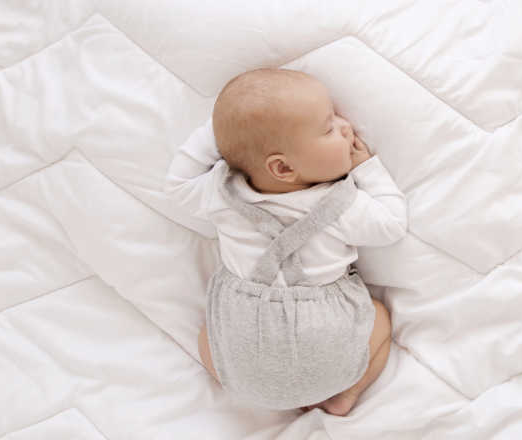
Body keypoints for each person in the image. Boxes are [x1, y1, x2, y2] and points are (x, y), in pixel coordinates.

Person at [164, 67, 407, 416]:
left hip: (243, 361)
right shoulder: (341, 205)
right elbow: (392, 223)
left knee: (208, 335)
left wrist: (224, 134)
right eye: (329, 128)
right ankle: (346, 393)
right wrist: (367, 168)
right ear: (282, 168)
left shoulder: (220, 194)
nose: (346, 127)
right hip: (327, 344)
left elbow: (176, 185)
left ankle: (261, 390)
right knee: (380, 315)